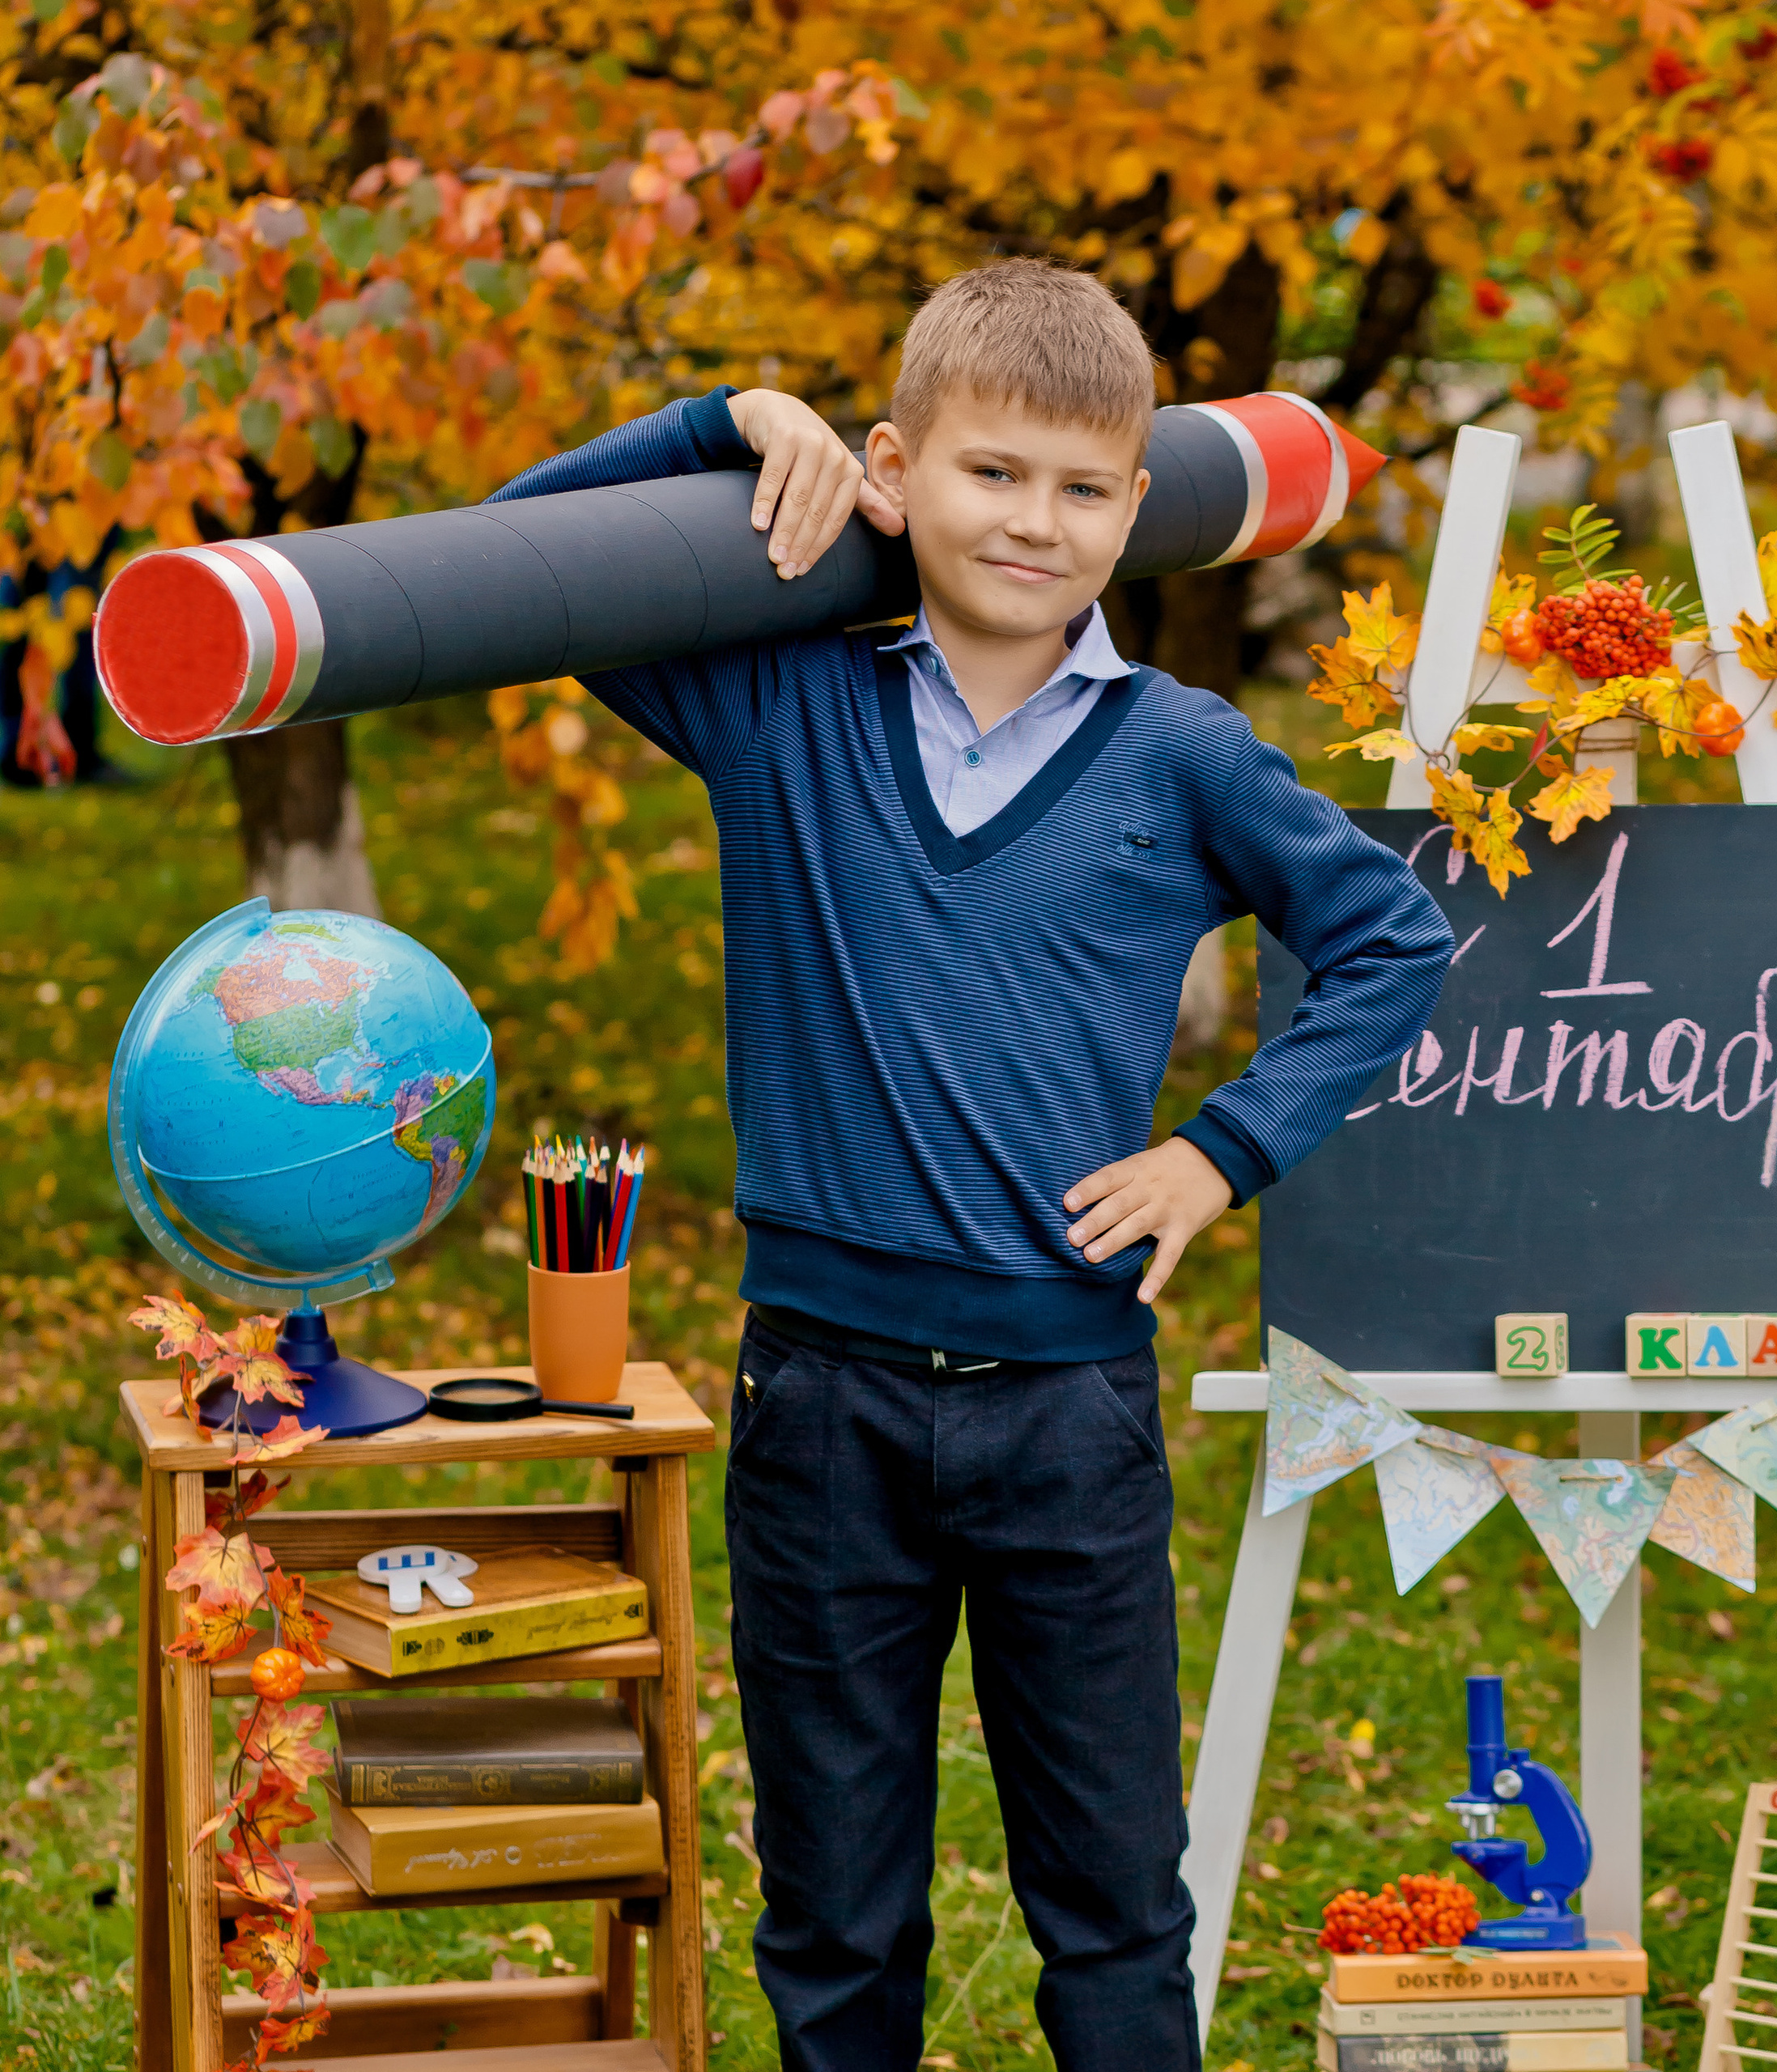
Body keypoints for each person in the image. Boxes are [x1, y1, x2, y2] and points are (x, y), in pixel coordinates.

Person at [490, 258, 1452, 2072]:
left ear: (1134, 512)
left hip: (1066, 1414)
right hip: (819, 1405)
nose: (1035, 520)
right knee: (835, 1911)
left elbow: (1393, 940)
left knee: (1110, 1907)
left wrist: (1213, 1154)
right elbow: (525, 554)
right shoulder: (778, 706)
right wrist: (721, 422)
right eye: (990, 472)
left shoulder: (1178, 750)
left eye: (1086, 488)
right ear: (893, 468)